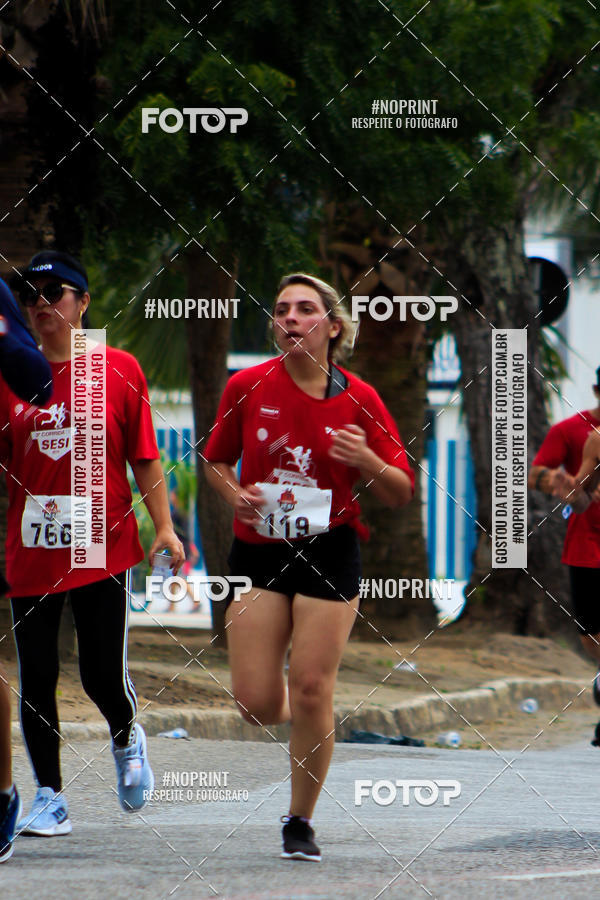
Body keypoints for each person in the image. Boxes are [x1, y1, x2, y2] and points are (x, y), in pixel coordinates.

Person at [203, 273, 414, 861]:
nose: (290, 318)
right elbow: (216, 461)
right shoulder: (245, 385)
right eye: (281, 310)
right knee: (255, 704)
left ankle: (299, 820)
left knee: (314, 685)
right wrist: (233, 494)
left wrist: (366, 458)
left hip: (329, 550)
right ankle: (311, 717)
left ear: (333, 326)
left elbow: (400, 491)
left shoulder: (360, 398)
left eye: (304, 309)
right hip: (259, 551)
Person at [1, 251, 184, 837]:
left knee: (102, 674)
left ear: (83, 302)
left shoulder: (118, 367)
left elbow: (145, 458)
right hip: (32, 549)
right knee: (37, 674)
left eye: (54, 292)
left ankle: (128, 738)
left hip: (101, 544)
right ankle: (49, 797)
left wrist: (166, 526)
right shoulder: (8, 374)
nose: (39, 304)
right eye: (29, 295)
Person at [0, 276, 53, 862]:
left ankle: (6, 793)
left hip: (85, 541)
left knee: (90, 673)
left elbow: (36, 380)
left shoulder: (104, 364)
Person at [529, 372, 600, 701]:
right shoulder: (587, 436)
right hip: (588, 544)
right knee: (589, 633)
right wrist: (567, 489)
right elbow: (578, 494)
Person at [168, 488, 200, 613]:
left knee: (179, 578)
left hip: (181, 550)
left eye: (173, 495)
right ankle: (172, 606)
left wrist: (191, 549)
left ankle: (196, 601)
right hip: (182, 549)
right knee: (175, 578)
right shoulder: (182, 513)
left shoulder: (178, 514)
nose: (171, 497)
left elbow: (184, 535)